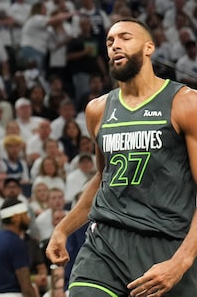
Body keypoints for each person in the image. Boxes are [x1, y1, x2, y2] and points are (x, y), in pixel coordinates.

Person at [47, 18, 197, 297]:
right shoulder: (98, 109)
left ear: (149, 47)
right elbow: (103, 178)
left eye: (125, 38)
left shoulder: (186, 103)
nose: (115, 45)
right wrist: (63, 229)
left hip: (167, 244)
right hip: (105, 245)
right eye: (110, 41)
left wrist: (182, 261)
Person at [0, 198, 38, 297]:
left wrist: (0, 290)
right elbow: (26, 287)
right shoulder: (17, 243)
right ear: (15, 218)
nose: (28, 218)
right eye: (25, 214)